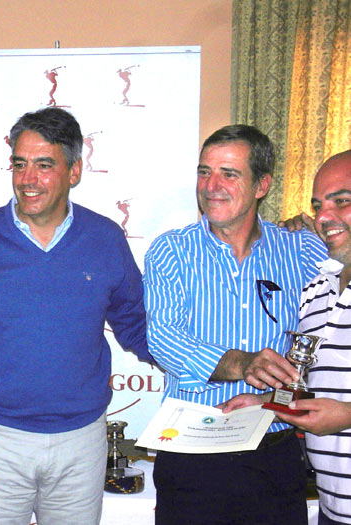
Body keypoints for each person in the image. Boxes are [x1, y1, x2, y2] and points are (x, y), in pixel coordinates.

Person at [0, 107, 149, 524]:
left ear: (74, 170)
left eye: (44, 165)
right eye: (19, 164)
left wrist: (206, 361)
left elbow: (137, 326)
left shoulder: (105, 238)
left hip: (82, 443)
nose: (27, 179)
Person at [143, 124, 328, 524]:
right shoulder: (172, 250)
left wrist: (327, 230)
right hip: (192, 453)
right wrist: (242, 363)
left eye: (229, 174)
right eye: (204, 172)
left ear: (262, 185)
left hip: (274, 452)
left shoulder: (301, 247)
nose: (211, 186)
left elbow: (336, 321)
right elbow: (163, 339)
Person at [226, 150, 351, 524]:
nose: (324, 217)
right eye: (318, 205)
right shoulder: (315, 291)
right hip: (332, 509)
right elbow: (310, 391)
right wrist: (264, 403)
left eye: (342, 201)